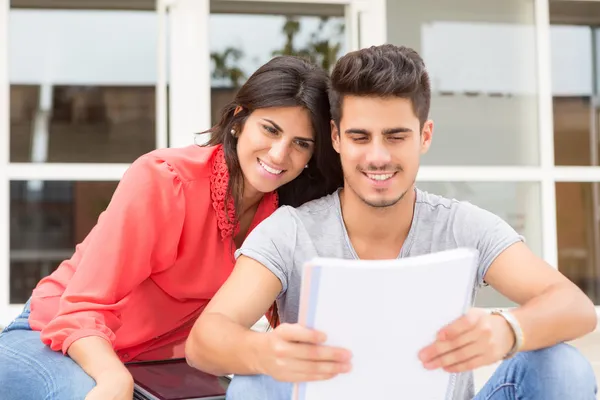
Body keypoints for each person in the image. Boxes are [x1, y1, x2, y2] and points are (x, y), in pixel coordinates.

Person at [185, 44, 598, 400]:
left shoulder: (463, 226)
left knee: (560, 365)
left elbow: (575, 307)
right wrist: (265, 352)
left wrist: (507, 329)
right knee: (255, 385)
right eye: (361, 137)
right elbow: (205, 339)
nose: (378, 157)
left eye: (396, 136)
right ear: (335, 138)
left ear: (425, 136)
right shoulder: (291, 230)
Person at [0, 55, 343, 400]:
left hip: (153, 363)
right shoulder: (165, 181)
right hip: (54, 335)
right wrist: (113, 378)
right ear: (239, 119)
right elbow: (81, 309)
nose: (280, 154)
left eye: (301, 143)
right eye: (270, 129)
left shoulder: (286, 216)